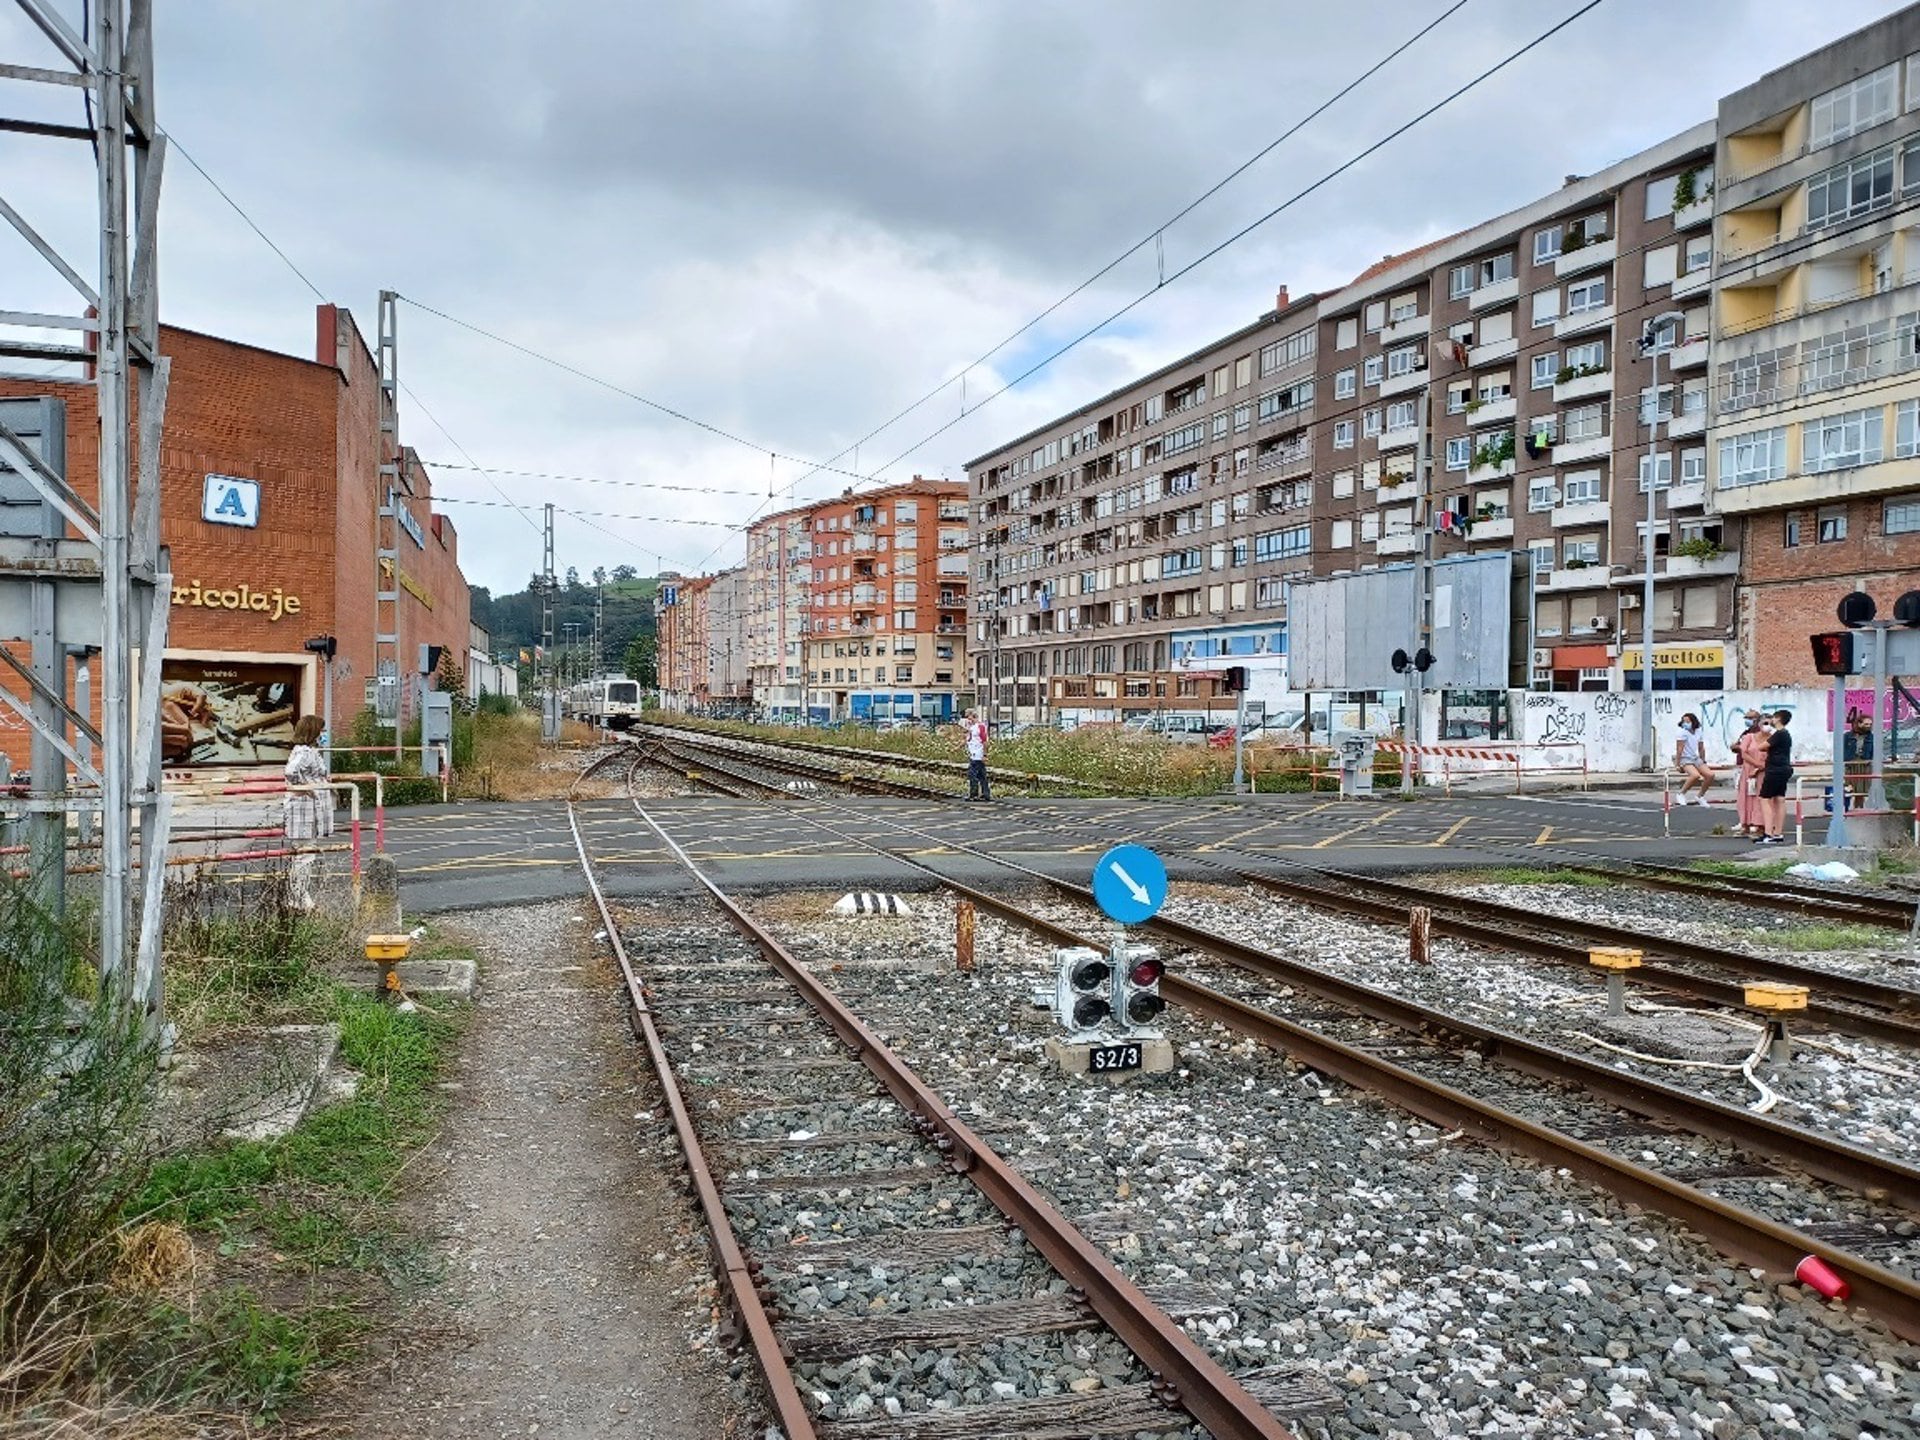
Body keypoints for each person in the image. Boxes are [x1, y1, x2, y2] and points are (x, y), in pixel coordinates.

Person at [283, 714, 334, 908]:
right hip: (304, 809)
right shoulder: (305, 752)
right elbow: (291, 772)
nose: (324, 734)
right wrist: (308, 788)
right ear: (313, 731)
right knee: (305, 854)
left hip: (307, 809)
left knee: (303, 854)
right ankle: (299, 898)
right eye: (322, 730)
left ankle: (297, 896)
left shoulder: (307, 751)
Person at [1757, 708, 1793, 845]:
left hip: (1774, 769)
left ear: (1778, 719)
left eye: (1773, 717)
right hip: (1784, 768)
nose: (1771, 720)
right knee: (1779, 799)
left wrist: (1768, 732)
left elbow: (1762, 746)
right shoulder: (1785, 734)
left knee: (1764, 799)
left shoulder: (1779, 734)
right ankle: (1778, 832)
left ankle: (1768, 833)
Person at [1733, 710, 1769, 838]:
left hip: (1763, 772)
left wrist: (1760, 767)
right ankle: (1745, 824)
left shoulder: (1771, 739)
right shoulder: (1748, 736)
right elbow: (1743, 752)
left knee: (1760, 798)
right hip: (1748, 770)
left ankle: (1760, 825)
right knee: (1745, 797)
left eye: (1768, 723)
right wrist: (1756, 764)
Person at [1673, 712, 1713, 805]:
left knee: (1710, 775)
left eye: (1687, 721)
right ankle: (1681, 793)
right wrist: (1677, 764)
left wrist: (1703, 760)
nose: (1685, 723)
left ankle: (1700, 796)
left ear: (1693, 722)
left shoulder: (1698, 731)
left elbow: (1701, 747)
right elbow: (1679, 749)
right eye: (1684, 721)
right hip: (1684, 757)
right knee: (1695, 775)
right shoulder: (1682, 733)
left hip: (1694, 757)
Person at [1843, 708, 1874, 810]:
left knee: (1860, 792)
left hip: (1864, 764)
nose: (1868, 726)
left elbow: (1873, 752)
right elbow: (1842, 750)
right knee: (1847, 790)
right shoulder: (1848, 736)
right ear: (1859, 724)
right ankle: (1845, 810)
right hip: (1850, 764)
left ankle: (1858, 810)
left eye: (1870, 724)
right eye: (1866, 724)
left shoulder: (1871, 737)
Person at [962, 709, 991, 802]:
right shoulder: (972, 727)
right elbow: (968, 740)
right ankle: (985, 794)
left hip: (978, 755)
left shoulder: (980, 726)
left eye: (968, 717)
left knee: (972, 775)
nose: (967, 719)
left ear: (972, 716)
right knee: (982, 775)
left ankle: (973, 794)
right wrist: (956, 747)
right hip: (974, 754)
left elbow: (985, 741)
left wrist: (985, 755)